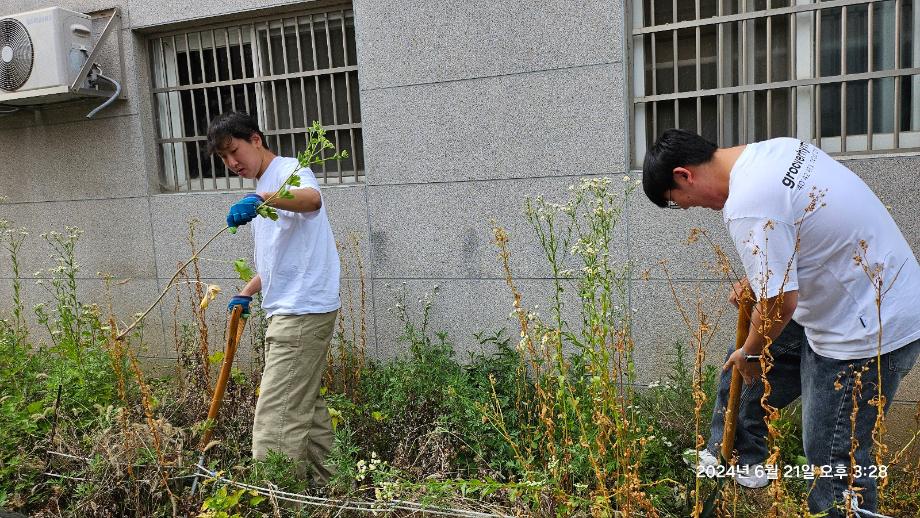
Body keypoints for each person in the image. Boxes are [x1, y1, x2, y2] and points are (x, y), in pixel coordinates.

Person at [642, 129, 920, 517]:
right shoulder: (779, 151)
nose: (690, 209)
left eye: (678, 201)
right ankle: (740, 460)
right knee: (739, 365)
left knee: (833, 464)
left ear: (683, 175)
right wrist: (758, 279)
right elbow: (803, 232)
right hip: (865, 298)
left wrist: (753, 351)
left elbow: (779, 303)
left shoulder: (748, 203)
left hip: (865, 328)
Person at [207, 111, 341, 486]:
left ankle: (275, 497)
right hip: (292, 308)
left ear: (255, 139)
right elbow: (278, 261)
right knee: (304, 406)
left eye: (234, 151)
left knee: (276, 418)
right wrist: (246, 292)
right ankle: (334, 490)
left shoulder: (288, 170)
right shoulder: (266, 183)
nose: (232, 162)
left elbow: (312, 199)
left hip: (301, 311)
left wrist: (263, 197)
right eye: (224, 158)